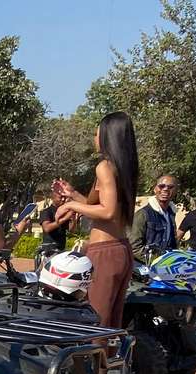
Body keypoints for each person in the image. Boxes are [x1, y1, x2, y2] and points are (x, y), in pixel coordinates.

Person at [54, 111, 140, 327]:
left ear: (108, 136)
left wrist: (71, 205)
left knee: (95, 323)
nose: (94, 139)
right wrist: (74, 195)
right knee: (112, 323)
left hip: (105, 251)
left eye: (96, 133)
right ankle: (112, 361)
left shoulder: (104, 166)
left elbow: (107, 211)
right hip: (121, 249)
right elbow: (103, 209)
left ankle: (93, 362)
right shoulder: (123, 168)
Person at [130, 175, 182, 255]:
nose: (165, 189)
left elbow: (172, 243)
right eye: (161, 186)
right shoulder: (143, 214)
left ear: (175, 191)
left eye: (170, 187)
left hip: (166, 264)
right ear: (155, 189)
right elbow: (134, 248)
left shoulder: (171, 214)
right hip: (145, 264)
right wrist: (156, 260)